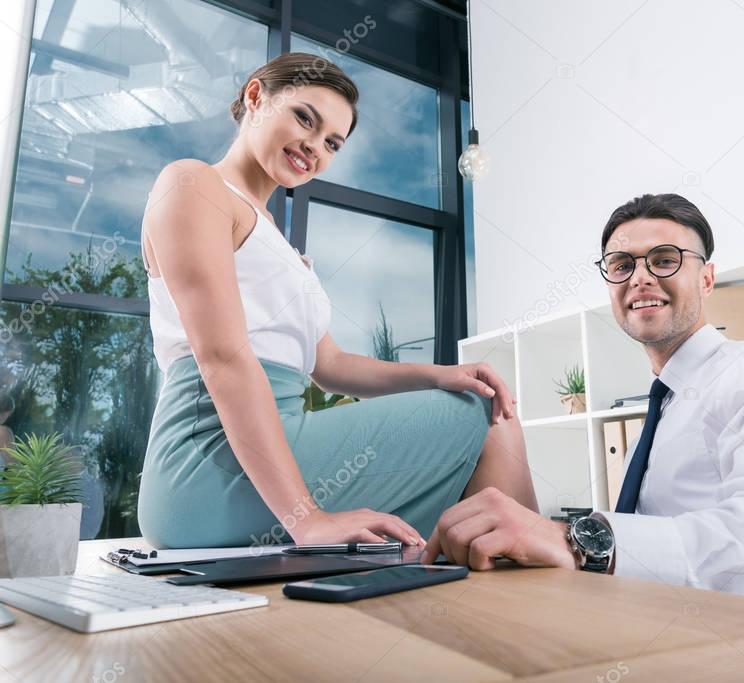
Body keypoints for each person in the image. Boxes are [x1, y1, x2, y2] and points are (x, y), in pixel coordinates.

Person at [137, 53, 538, 549]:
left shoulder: (281, 246)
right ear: (256, 96)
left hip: (278, 439)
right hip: (206, 458)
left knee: (478, 399)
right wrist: (308, 520)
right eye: (305, 118)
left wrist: (441, 374)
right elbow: (222, 358)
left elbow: (330, 365)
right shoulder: (194, 183)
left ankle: (477, 593)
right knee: (484, 418)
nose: (314, 147)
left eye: (332, 143)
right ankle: (540, 590)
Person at [423, 193, 744, 613]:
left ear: (707, 279)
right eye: (621, 265)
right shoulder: (663, 413)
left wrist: (578, 541)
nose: (640, 277)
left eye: (664, 260)